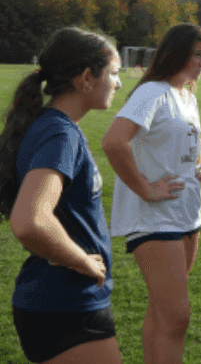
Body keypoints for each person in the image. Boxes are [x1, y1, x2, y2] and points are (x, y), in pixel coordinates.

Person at [0, 27, 123, 364]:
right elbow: (30, 220)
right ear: (86, 78)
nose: (119, 83)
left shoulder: (50, 125)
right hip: (66, 307)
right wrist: (81, 259)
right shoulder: (59, 132)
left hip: (56, 303)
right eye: (114, 73)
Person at [102, 23, 201, 364]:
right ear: (176, 52)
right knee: (177, 316)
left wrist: (200, 163)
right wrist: (146, 189)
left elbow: (195, 136)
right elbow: (113, 142)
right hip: (154, 217)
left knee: (163, 312)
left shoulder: (186, 94)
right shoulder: (152, 92)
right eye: (197, 54)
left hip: (186, 213)